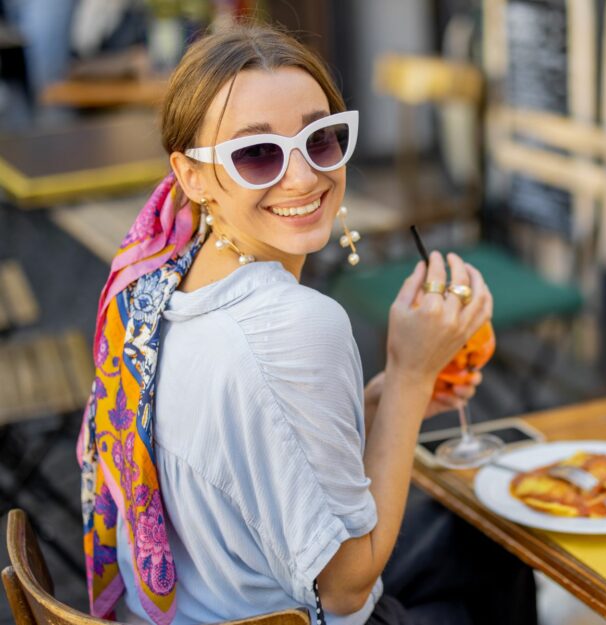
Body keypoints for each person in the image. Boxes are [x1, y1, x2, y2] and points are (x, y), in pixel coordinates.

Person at [77, 21, 537, 625]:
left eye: (319, 140)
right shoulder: (294, 325)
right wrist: (408, 374)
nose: (302, 177)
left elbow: (262, 451)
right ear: (191, 175)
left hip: (188, 603)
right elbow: (345, 588)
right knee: (501, 552)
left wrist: (378, 403)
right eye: (257, 153)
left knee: (475, 538)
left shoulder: (159, 281)